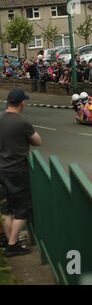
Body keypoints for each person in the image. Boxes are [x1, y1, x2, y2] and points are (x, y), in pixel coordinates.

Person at [0, 89, 42, 257]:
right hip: (16, 170)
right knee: (21, 209)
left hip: (0, 168)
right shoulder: (22, 122)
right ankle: (12, 245)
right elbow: (38, 141)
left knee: (5, 208)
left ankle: (6, 239)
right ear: (22, 103)